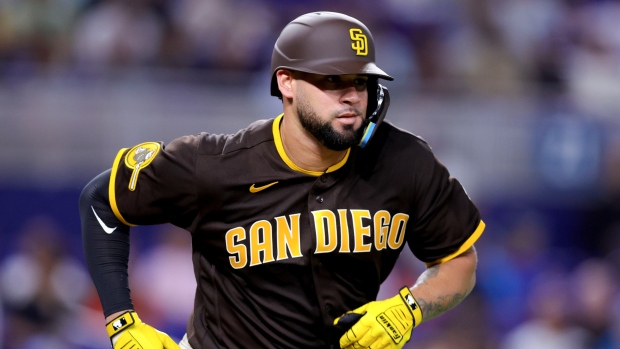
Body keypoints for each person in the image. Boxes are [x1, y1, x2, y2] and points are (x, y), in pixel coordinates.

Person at [79, 11, 485, 349]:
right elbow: (101, 200)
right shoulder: (217, 164)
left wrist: (409, 307)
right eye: (331, 80)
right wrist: (122, 322)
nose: (351, 96)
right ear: (286, 82)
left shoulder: (404, 161)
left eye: (360, 82)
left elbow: (458, 260)